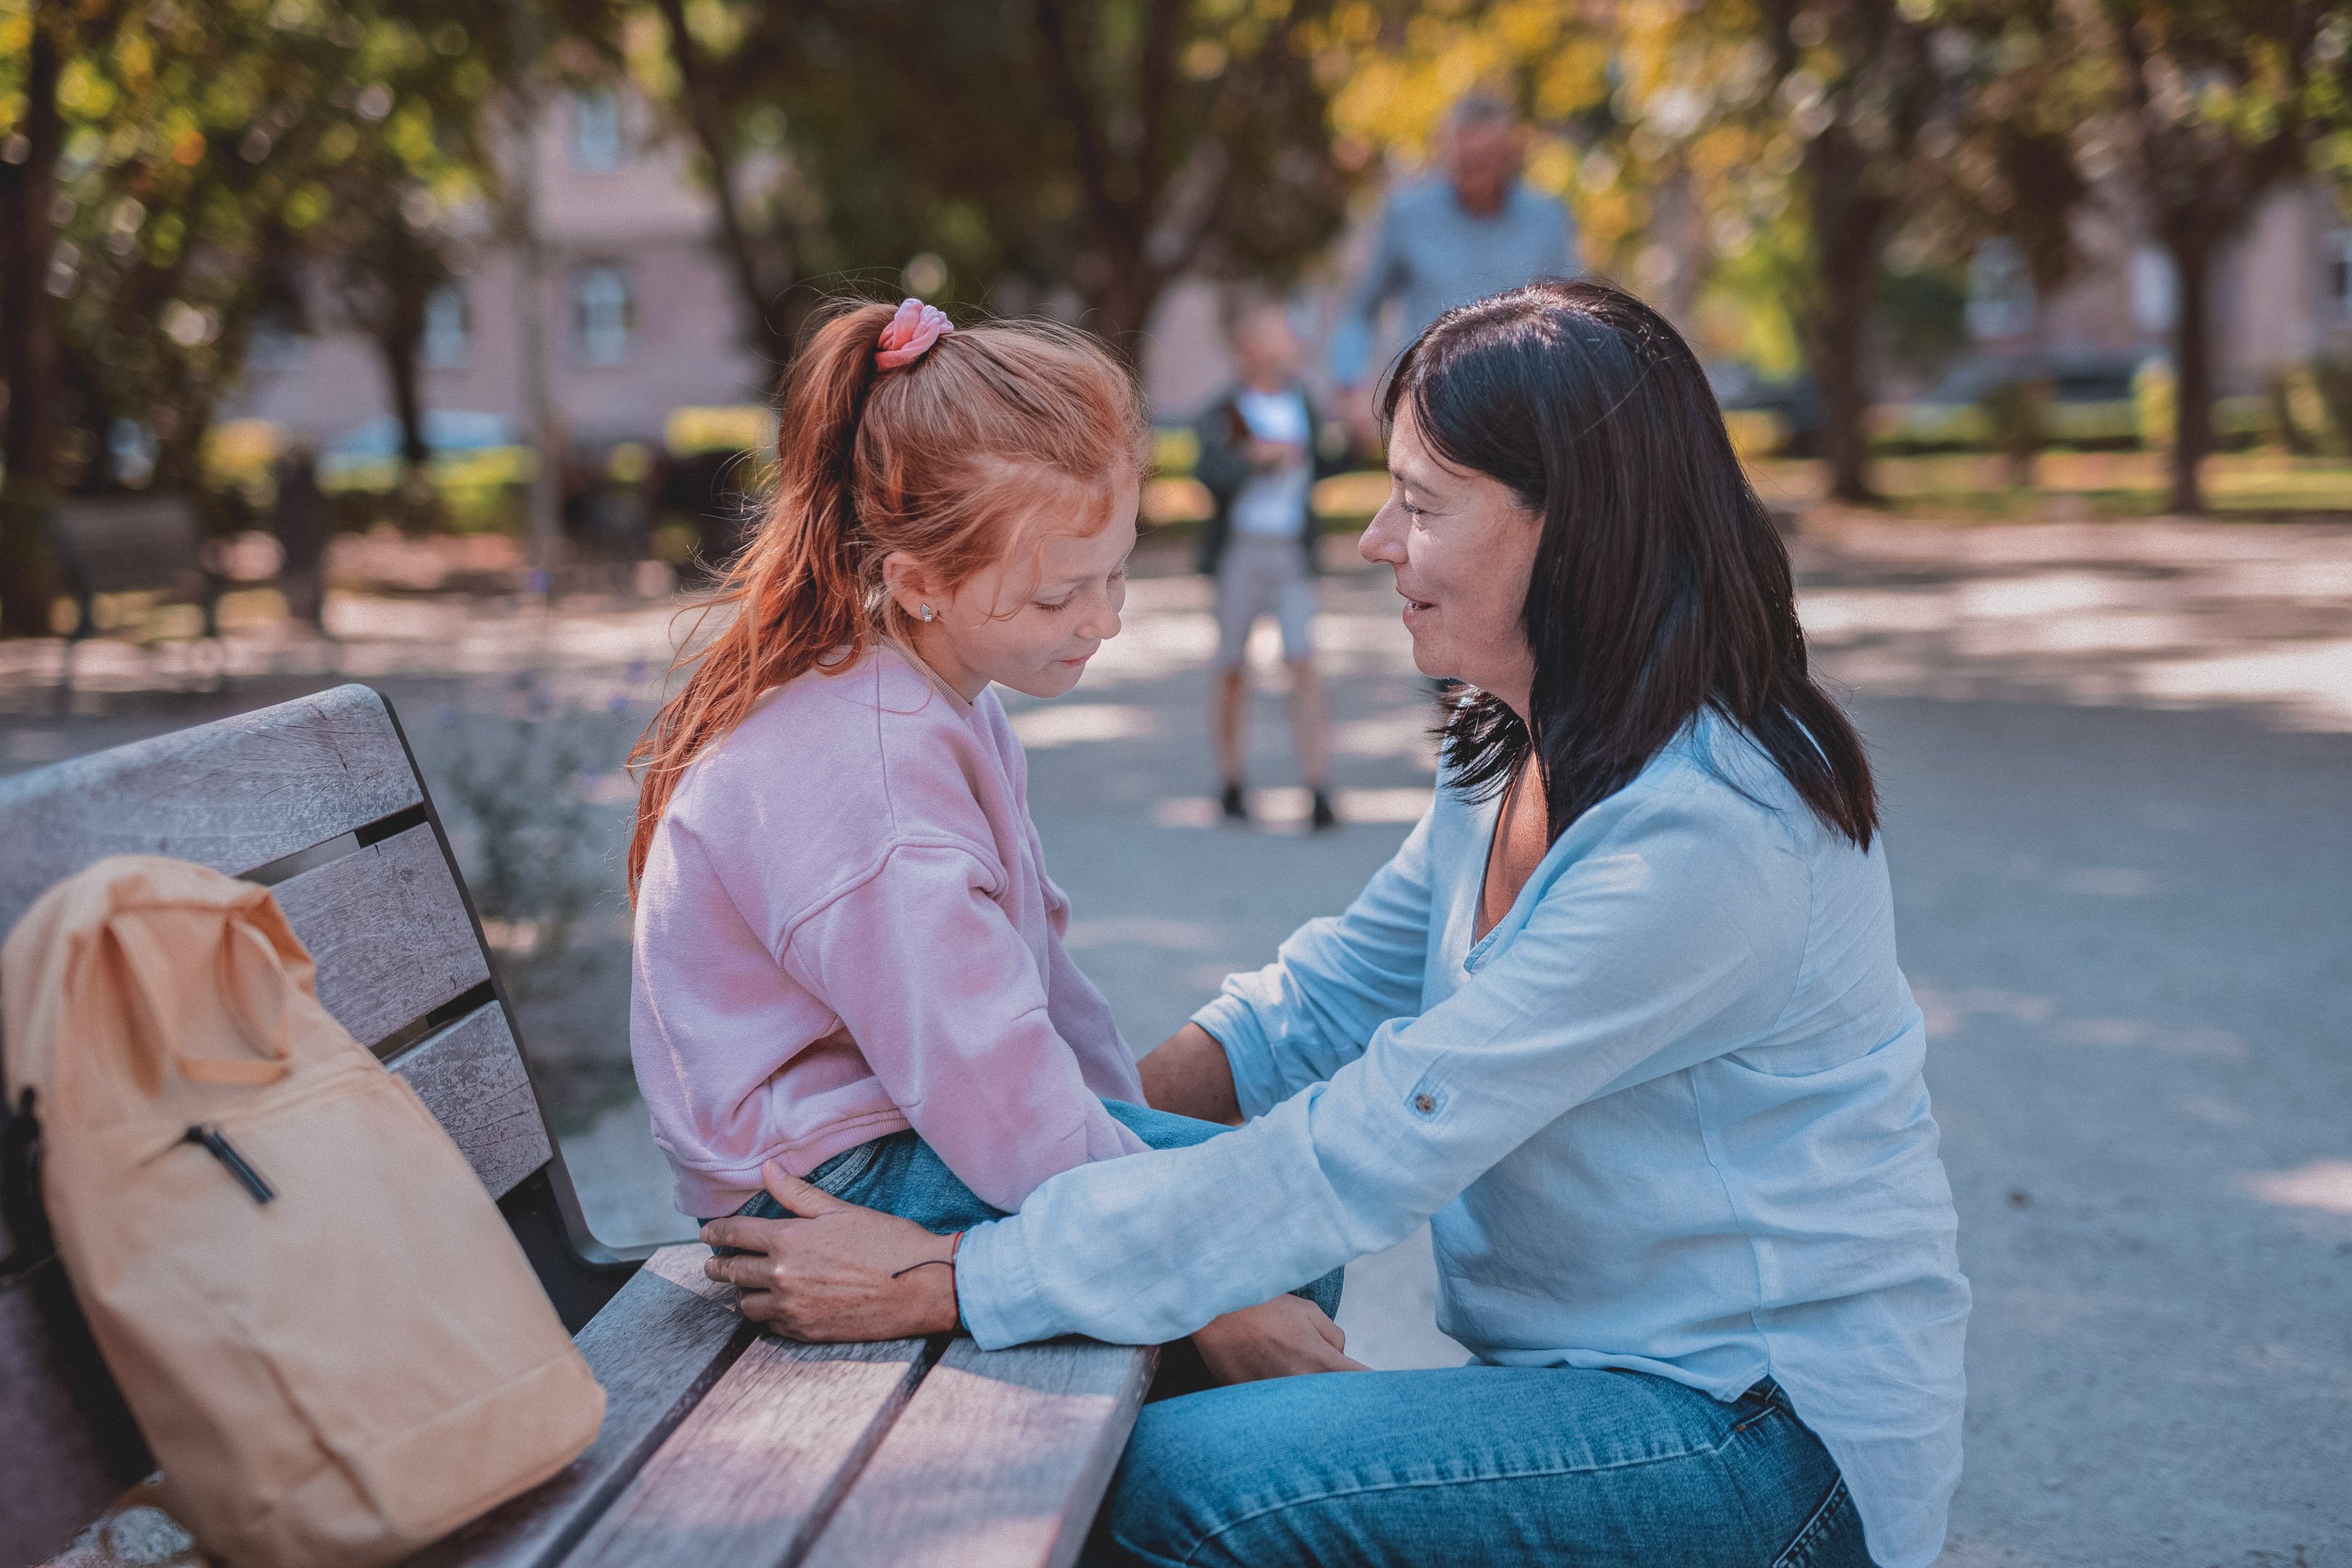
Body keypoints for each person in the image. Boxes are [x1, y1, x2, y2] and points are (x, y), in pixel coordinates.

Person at [699, 279, 1971, 1568]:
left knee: (1160, 1481)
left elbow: (1373, 1144)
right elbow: (1322, 1003)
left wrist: (950, 1278)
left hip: (1758, 1447)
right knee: (1164, 1341)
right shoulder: (1534, 741)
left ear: (1570, 530)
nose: (1371, 539)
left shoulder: (1708, 839)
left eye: (1420, 505)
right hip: (1611, 1390)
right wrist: (1065, 1149)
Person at [625, 298, 1339, 1365]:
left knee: (1279, 1225)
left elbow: (1038, 986)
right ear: (917, 584)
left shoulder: (944, 694)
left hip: (898, 1123)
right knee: (1267, 1254)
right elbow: (986, 1073)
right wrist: (1183, 1279)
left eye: (1117, 574)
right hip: (824, 1184)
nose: (1104, 620)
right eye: (1060, 597)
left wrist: (1122, 1127)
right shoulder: (876, 778)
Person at [1328, 91, 1579, 441]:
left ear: (1508, 155)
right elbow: (1359, 311)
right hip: (1427, 405)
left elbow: (1570, 316)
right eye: (1463, 161)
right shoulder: (1406, 214)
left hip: (1520, 409)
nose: (1473, 173)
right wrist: (1350, 384)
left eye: (1485, 161)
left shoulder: (1548, 218)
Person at [1191, 296, 1342, 828]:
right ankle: (1230, 779)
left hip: (1292, 550)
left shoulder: (1301, 400)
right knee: (1232, 666)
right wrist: (1253, 461)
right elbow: (1208, 475)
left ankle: (1318, 785)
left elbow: (1325, 462)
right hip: (1241, 551)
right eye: (1276, 329)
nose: (1289, 336)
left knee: (1303, 660)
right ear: (1249, 345)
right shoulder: (1223, 410)